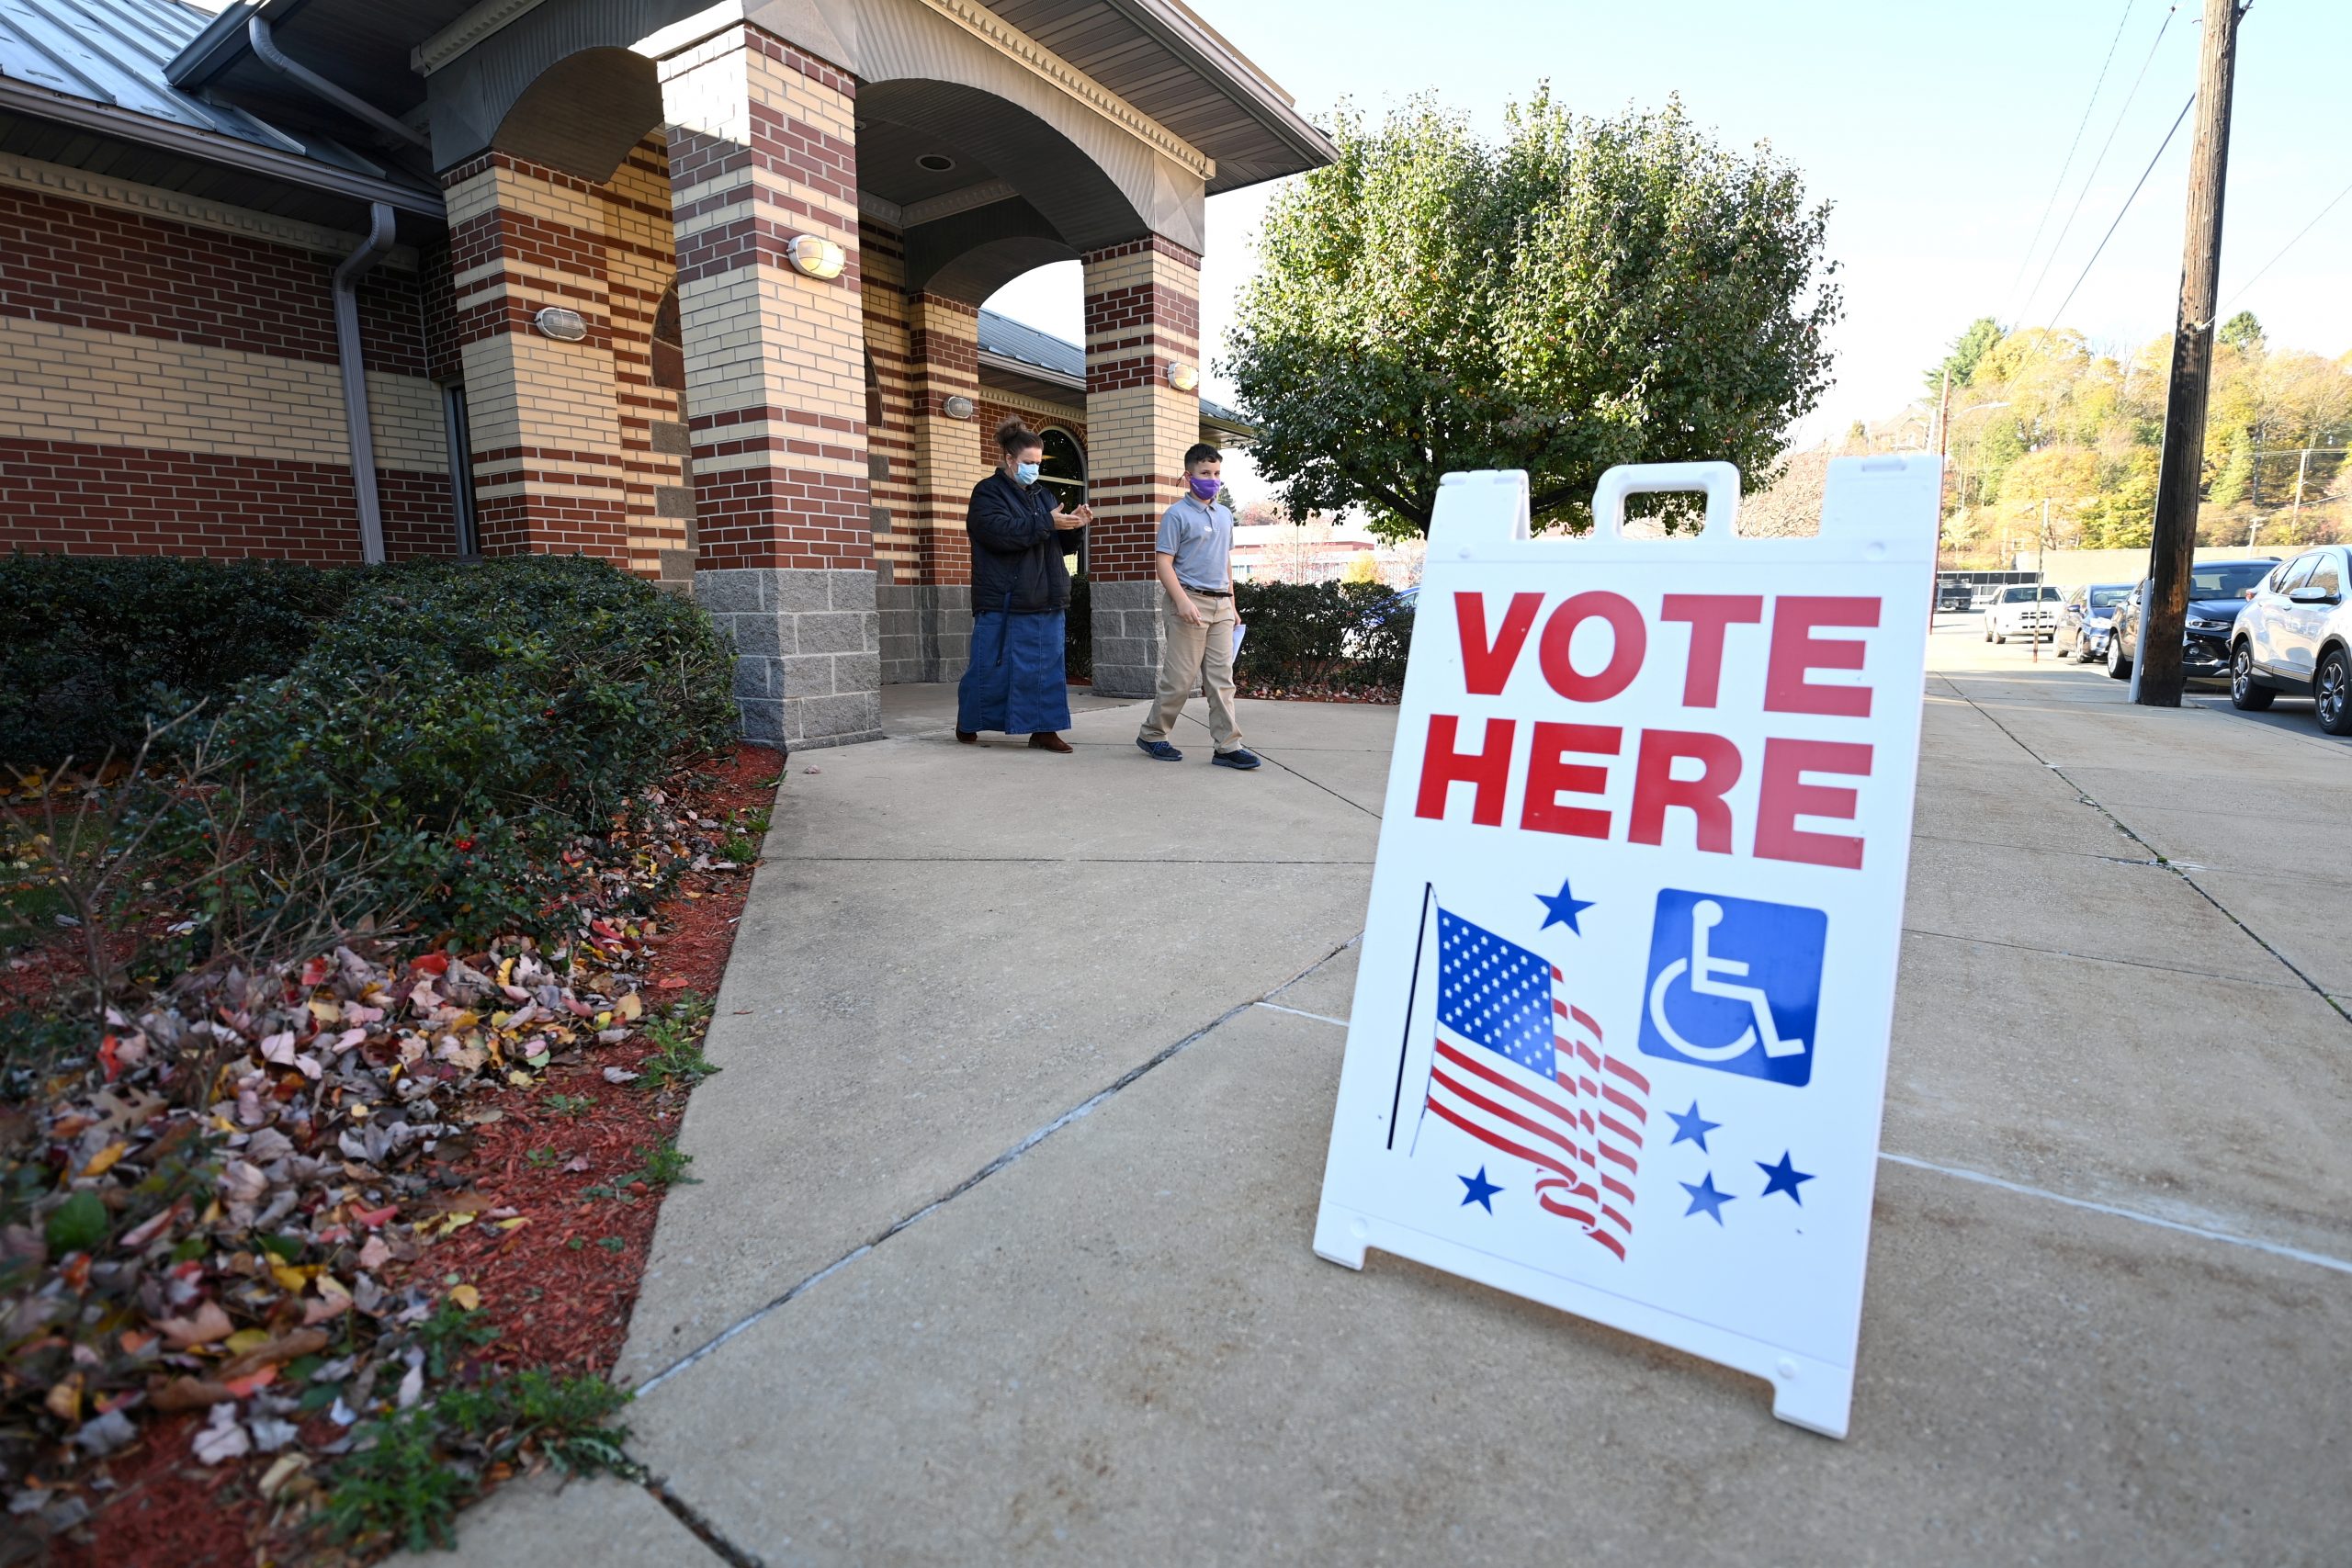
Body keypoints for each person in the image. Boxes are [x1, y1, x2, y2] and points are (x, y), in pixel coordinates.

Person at [958, 419, 1091, 751]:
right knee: (990, 666)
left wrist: (1074, 525)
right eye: (1028, 463)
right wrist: (1047, 521)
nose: (1034, 469)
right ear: (1009, 460)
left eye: (1037, 463)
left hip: (1046, 595)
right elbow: (998, 533)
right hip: (1005, 597)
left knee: (1047, 667)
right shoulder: (987, 492)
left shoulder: (1043, 494)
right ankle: (970, 720)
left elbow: (1059, 545)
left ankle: (1045, 730)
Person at [1136, 444, 1260, 770]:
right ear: (1189, 476)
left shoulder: (1225, 515)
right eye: (1206, 474)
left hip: (1221, 606)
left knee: (1222, 680)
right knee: (1180, 679)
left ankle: (1227, 746)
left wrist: (1232, 604)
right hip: (1189, 602)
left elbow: (1225, 562)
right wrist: (1182, 601)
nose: (1213, 480)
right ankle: (1152, 734)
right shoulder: (1177, 515)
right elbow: (1163, 563)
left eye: (1217, 474)